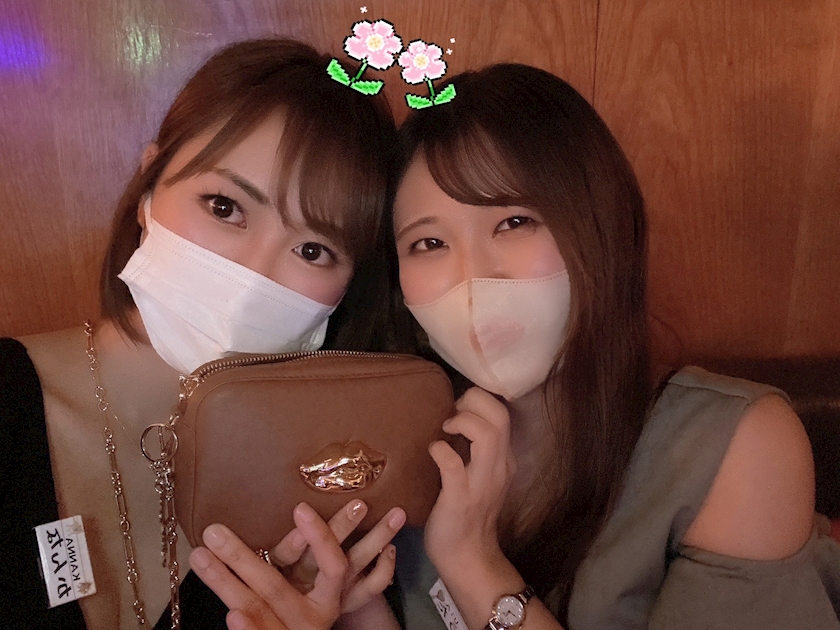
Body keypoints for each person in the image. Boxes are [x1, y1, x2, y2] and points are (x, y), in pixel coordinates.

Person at [201, 62, 840, 629]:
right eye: (429, 243)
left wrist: (472, 563)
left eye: (513, 222)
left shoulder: (735, 444)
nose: (474, 276)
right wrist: (349, 608)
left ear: (600, 226)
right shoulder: (394, 436)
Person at [0, 39, 407, 630]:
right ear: (148, 187)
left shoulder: (329, 480)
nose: (253, 276)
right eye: (224, 207)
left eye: (313, 249)